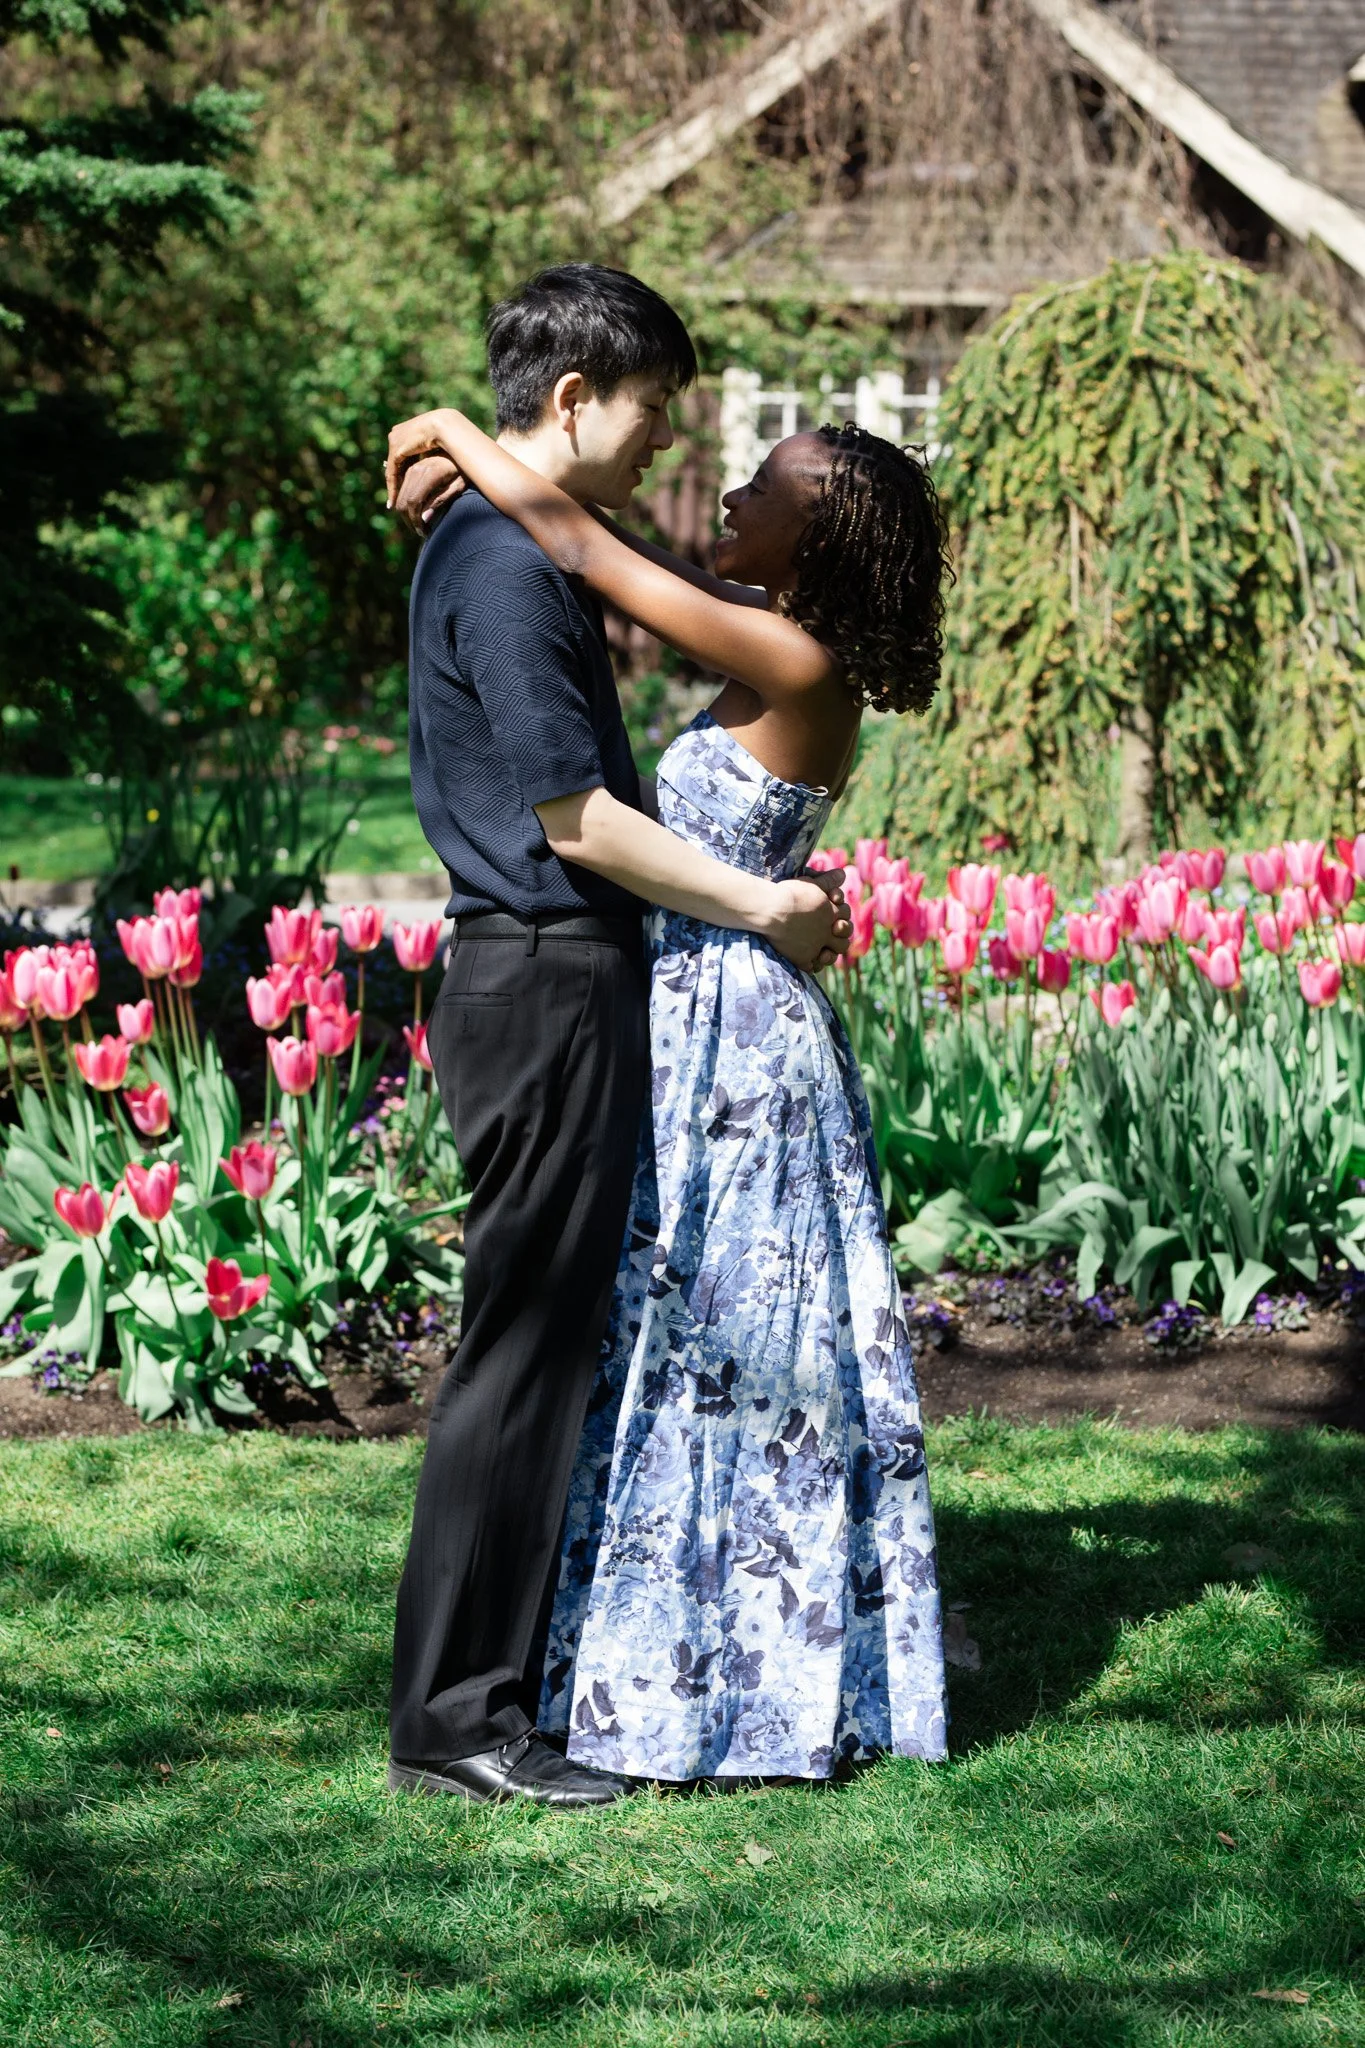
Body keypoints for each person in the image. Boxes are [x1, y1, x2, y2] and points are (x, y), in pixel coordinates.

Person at [385, 388, 952, 1782]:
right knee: (676, 1335)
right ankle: (645, 1640)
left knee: (726, 1346)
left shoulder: (791, 650)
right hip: (694, 1009)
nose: (733, 499)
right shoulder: (770, 633)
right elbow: (599, 554)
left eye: (764, 488)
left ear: (816, 542)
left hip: (744, 1038)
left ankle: (735, 1663)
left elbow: (595, 558)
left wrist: (461, 431)